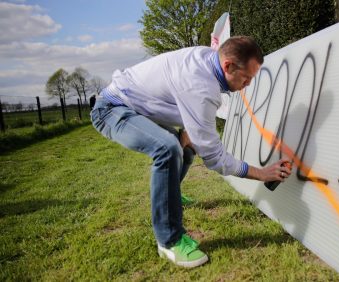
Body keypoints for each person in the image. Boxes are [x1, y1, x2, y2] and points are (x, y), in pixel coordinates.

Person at [90, 36, 292, 268]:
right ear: (228, 66)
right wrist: (262, 174)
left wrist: (189, 131)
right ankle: (169, 241)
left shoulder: (209, 58)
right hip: (112, 109)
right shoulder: (201, 86)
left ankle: (170, 195)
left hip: (140, 106)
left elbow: (182, 96)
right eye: (246, 78)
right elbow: (216, 159)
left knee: (185, 150)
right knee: (167, 148)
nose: (248, 85)